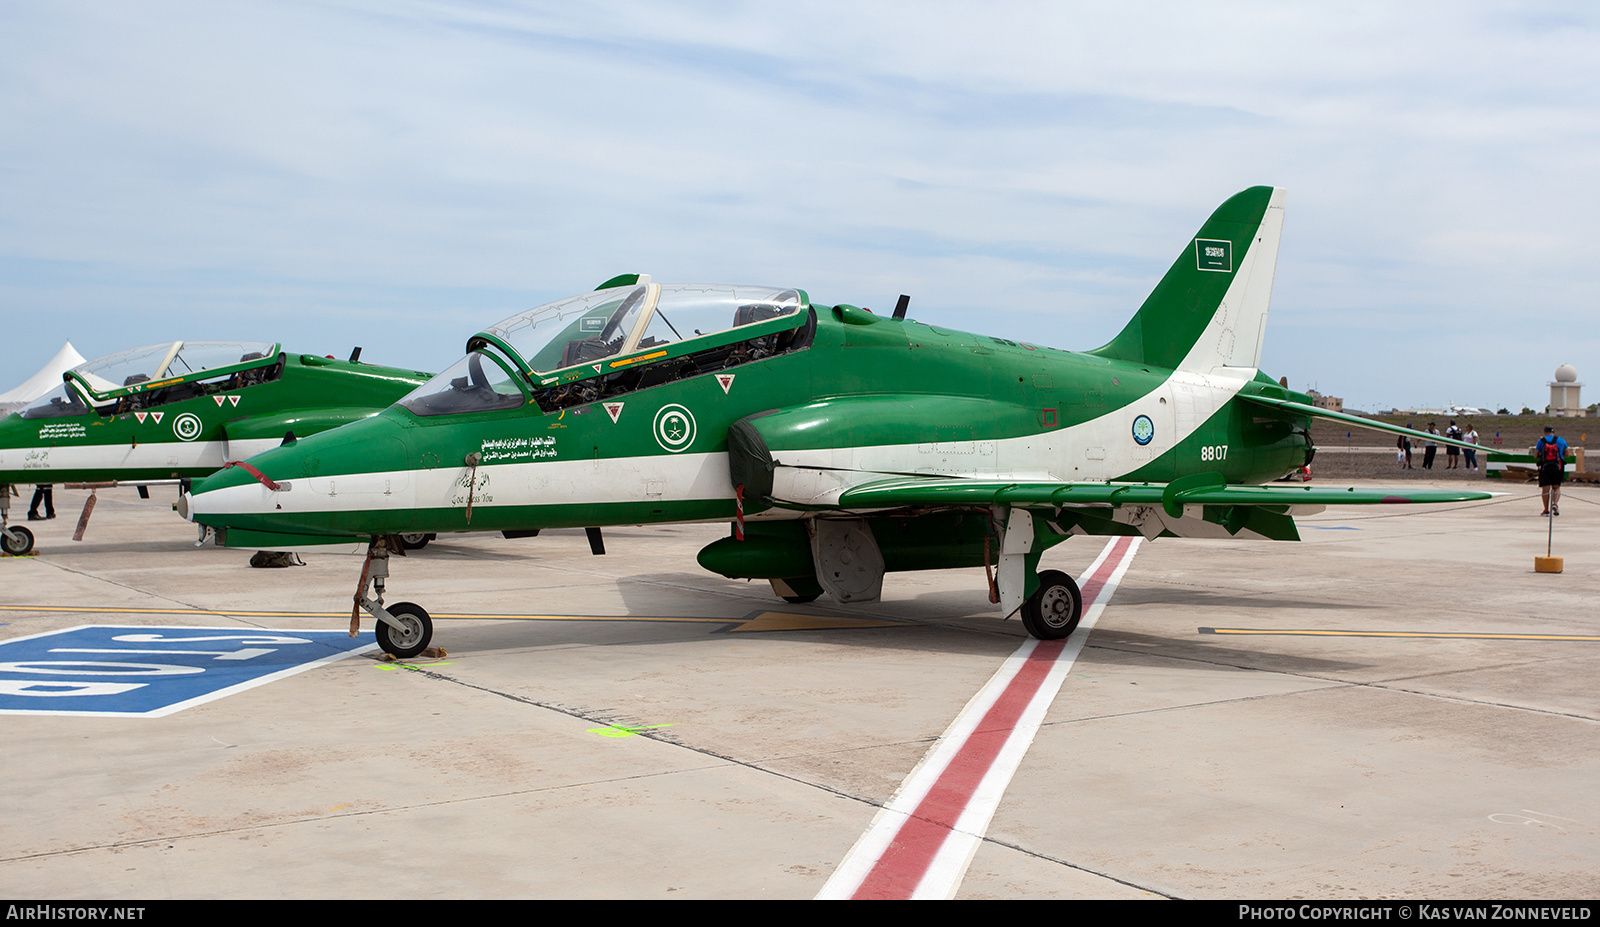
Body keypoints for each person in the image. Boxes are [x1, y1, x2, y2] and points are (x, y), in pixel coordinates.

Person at [1534, 425, 1569, 516]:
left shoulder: (1541, 441)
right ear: (1554, 432)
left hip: (1545, 467)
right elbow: (1567, 454)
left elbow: (1535, 455)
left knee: (1545, 489)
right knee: (1556, 487)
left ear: (1545, 432)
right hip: (1558, 467)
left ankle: (1546, 510)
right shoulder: (1561, 440)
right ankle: (1555, 504)